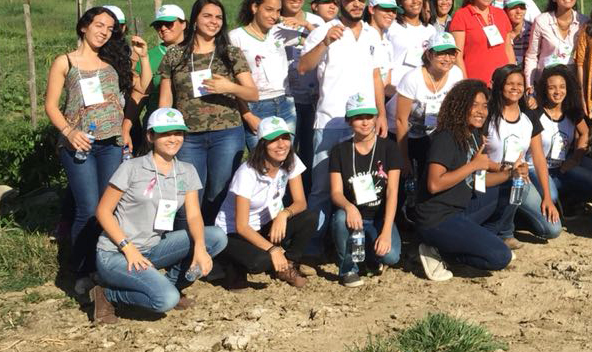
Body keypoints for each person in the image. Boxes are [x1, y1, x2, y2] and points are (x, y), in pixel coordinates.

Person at [92, 108, 227, 323]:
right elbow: (102, 211)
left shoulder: (187, 170)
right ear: (150, 136)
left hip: (153, 248)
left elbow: (193, 215)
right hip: (117, 252)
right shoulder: (132, 168)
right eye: (165, 133)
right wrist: (128, 248)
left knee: (216, 237)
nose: (173, 139)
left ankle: (171, 284)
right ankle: (107, 295)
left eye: (178, 133)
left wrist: (200, 247)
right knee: (165, 300)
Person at [44, 6, 146, 278]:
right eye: (99, 25)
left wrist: (125, 129)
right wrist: (69, 132)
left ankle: (104, 265)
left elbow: (140, 88)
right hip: (81, 145)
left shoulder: (112, 62)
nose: (104, 32)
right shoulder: (64, 62)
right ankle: (81, 270)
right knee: (88, 208)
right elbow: (51, 106)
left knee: (108, 207)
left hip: (111, 144)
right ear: (83, 27)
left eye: (110, 28)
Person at [298, 0, 386, 242]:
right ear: (339, 2)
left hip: (365, 123)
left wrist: (381, 112)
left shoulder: (373, 33)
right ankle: (312, 245)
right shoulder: (324, 30)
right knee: (322, 188)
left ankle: (353, 240)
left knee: (364, 184)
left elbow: (376, 76)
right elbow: (303, 67)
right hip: (331, 122)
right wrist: (325, 42)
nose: (356, 3)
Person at [156, 0, 259, 220]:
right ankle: (188, 246)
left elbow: (253, 93)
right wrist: (161, 131)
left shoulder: (231, 54)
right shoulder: (175, 55)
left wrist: (228, 86)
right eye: (207, 16)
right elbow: (165, 99)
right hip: (188, 137)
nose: (214, 21)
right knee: (189, 194)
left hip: (226, 134)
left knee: (218, 193)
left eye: (219, 17)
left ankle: (216, 244)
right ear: (194, 20)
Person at [415, 80, 514, 282]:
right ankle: (439, 252)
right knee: (500, 257)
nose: (481, 111)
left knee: (506, 190)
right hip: (437, 218)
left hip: (460, 208)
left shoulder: (474, 135)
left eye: (484, 106)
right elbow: (434, 184)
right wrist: (473, 165)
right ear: (460, 107)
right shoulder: (446, 137)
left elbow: (479, 180)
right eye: (474, 105)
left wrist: (510, 174)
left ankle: (475, 241)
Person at [217, 117, 316, 288]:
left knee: (310, 217)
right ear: (262, 144)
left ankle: (287, 265)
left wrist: (284, 215)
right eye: (273, 140)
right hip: (235, 233)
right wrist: (273, 250)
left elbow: (301, 203)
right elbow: (241, 226)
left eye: (285, 138)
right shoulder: (247, 173)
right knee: (259, 262)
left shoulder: (291, 161)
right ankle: (228, 262)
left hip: (265, 224)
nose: (281, 145)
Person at [328, 98, 402, 286]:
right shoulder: (340, 151)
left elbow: (392, 191)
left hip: (378, 216)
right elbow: (336, 192)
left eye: (369, 117)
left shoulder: (389, 148)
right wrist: (349, 207)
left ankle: (369, 256)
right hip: (353, 217)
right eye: (358, 118)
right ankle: (348, 269)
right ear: (348, 121)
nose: (365, 122)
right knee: (339, 218)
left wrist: (386, 231)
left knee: (391, 257)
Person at [487, 65, 560, 244]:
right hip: (489, 177)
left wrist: (548, 198)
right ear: (499, 85)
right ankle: (505, 232)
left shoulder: (529, 115)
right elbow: (476, 157)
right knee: (517, 181)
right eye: (509, 83)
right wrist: (503, 170)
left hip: (518, 178)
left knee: (552, 229)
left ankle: (513, 219)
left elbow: (538, 157)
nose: (515, 88)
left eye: (519, 84)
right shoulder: (487, 114)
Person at [528, 65, 592, 211]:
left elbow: (585, 133)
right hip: (541, 169)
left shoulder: (571, 111)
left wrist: (576, 157)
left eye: (562, 87)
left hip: (565, 166)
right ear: (545, 90)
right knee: (551, 196)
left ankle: (571, 198)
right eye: (552, 87)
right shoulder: (536, 113)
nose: (558, 92)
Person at [274, 0, 325, 193]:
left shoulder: (317, 22)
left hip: (313, 98)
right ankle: (282, 198)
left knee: (309, 151)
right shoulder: (272, 22)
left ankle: (306, 197)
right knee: (283, 152)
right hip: (284, 99)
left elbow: (330, 43)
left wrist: (305, 25)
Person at [229, 0, 295, 151]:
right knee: (261, 162)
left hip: (286, 103)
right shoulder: (235, 37)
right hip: (256, 106)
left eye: (278, 11)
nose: (274, 16)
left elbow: (317, 40)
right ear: (254, 7)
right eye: (269, 9)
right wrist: (247, 115)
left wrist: (306, 24)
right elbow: (233, 81)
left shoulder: (281, 32)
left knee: (286, 160)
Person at [394, 32, 465, 183]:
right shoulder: (412, 79)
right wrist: (404, 158)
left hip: (434, 135)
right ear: (429, 54)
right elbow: (401, 120)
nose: (447, 59)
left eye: (451, 54)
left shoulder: (456, 75)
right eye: (441, 54)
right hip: (406, 136)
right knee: (407, 180)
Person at [449, 0, 515, 85]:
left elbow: (508, 50)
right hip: (476, 83)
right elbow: (457, 56)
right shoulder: (462, 16)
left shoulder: (501, 14)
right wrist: (465, 84)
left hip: (502, 83)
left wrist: (514, 77)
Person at [523, 0, 586, 90]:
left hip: (573, 84)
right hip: (546, 84)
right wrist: (529, 86)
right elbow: (532, 56)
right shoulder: (541, 21)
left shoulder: (584, 22)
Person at [133, 4, 184, 147]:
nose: (163, 28)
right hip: (159, 127)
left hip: (190, 124)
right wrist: (126, 127)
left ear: (184, 24)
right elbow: (139, 95)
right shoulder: (149, 56)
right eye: (158, 25)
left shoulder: (197, 51)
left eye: (168, 23)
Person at [365, 0, 401, 130]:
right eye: (385, 9)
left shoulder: (387, 42)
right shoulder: (363, 35)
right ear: (371, 9)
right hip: (365, 109)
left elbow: (386, 84)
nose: (391, 14)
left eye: (393, 11)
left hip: (381, 109)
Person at [502, 0, 533, 67]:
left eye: (522, 7)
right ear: (505, 10)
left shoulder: (533, 29)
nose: (519, 11)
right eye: (513, 8)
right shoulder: (499, 31)